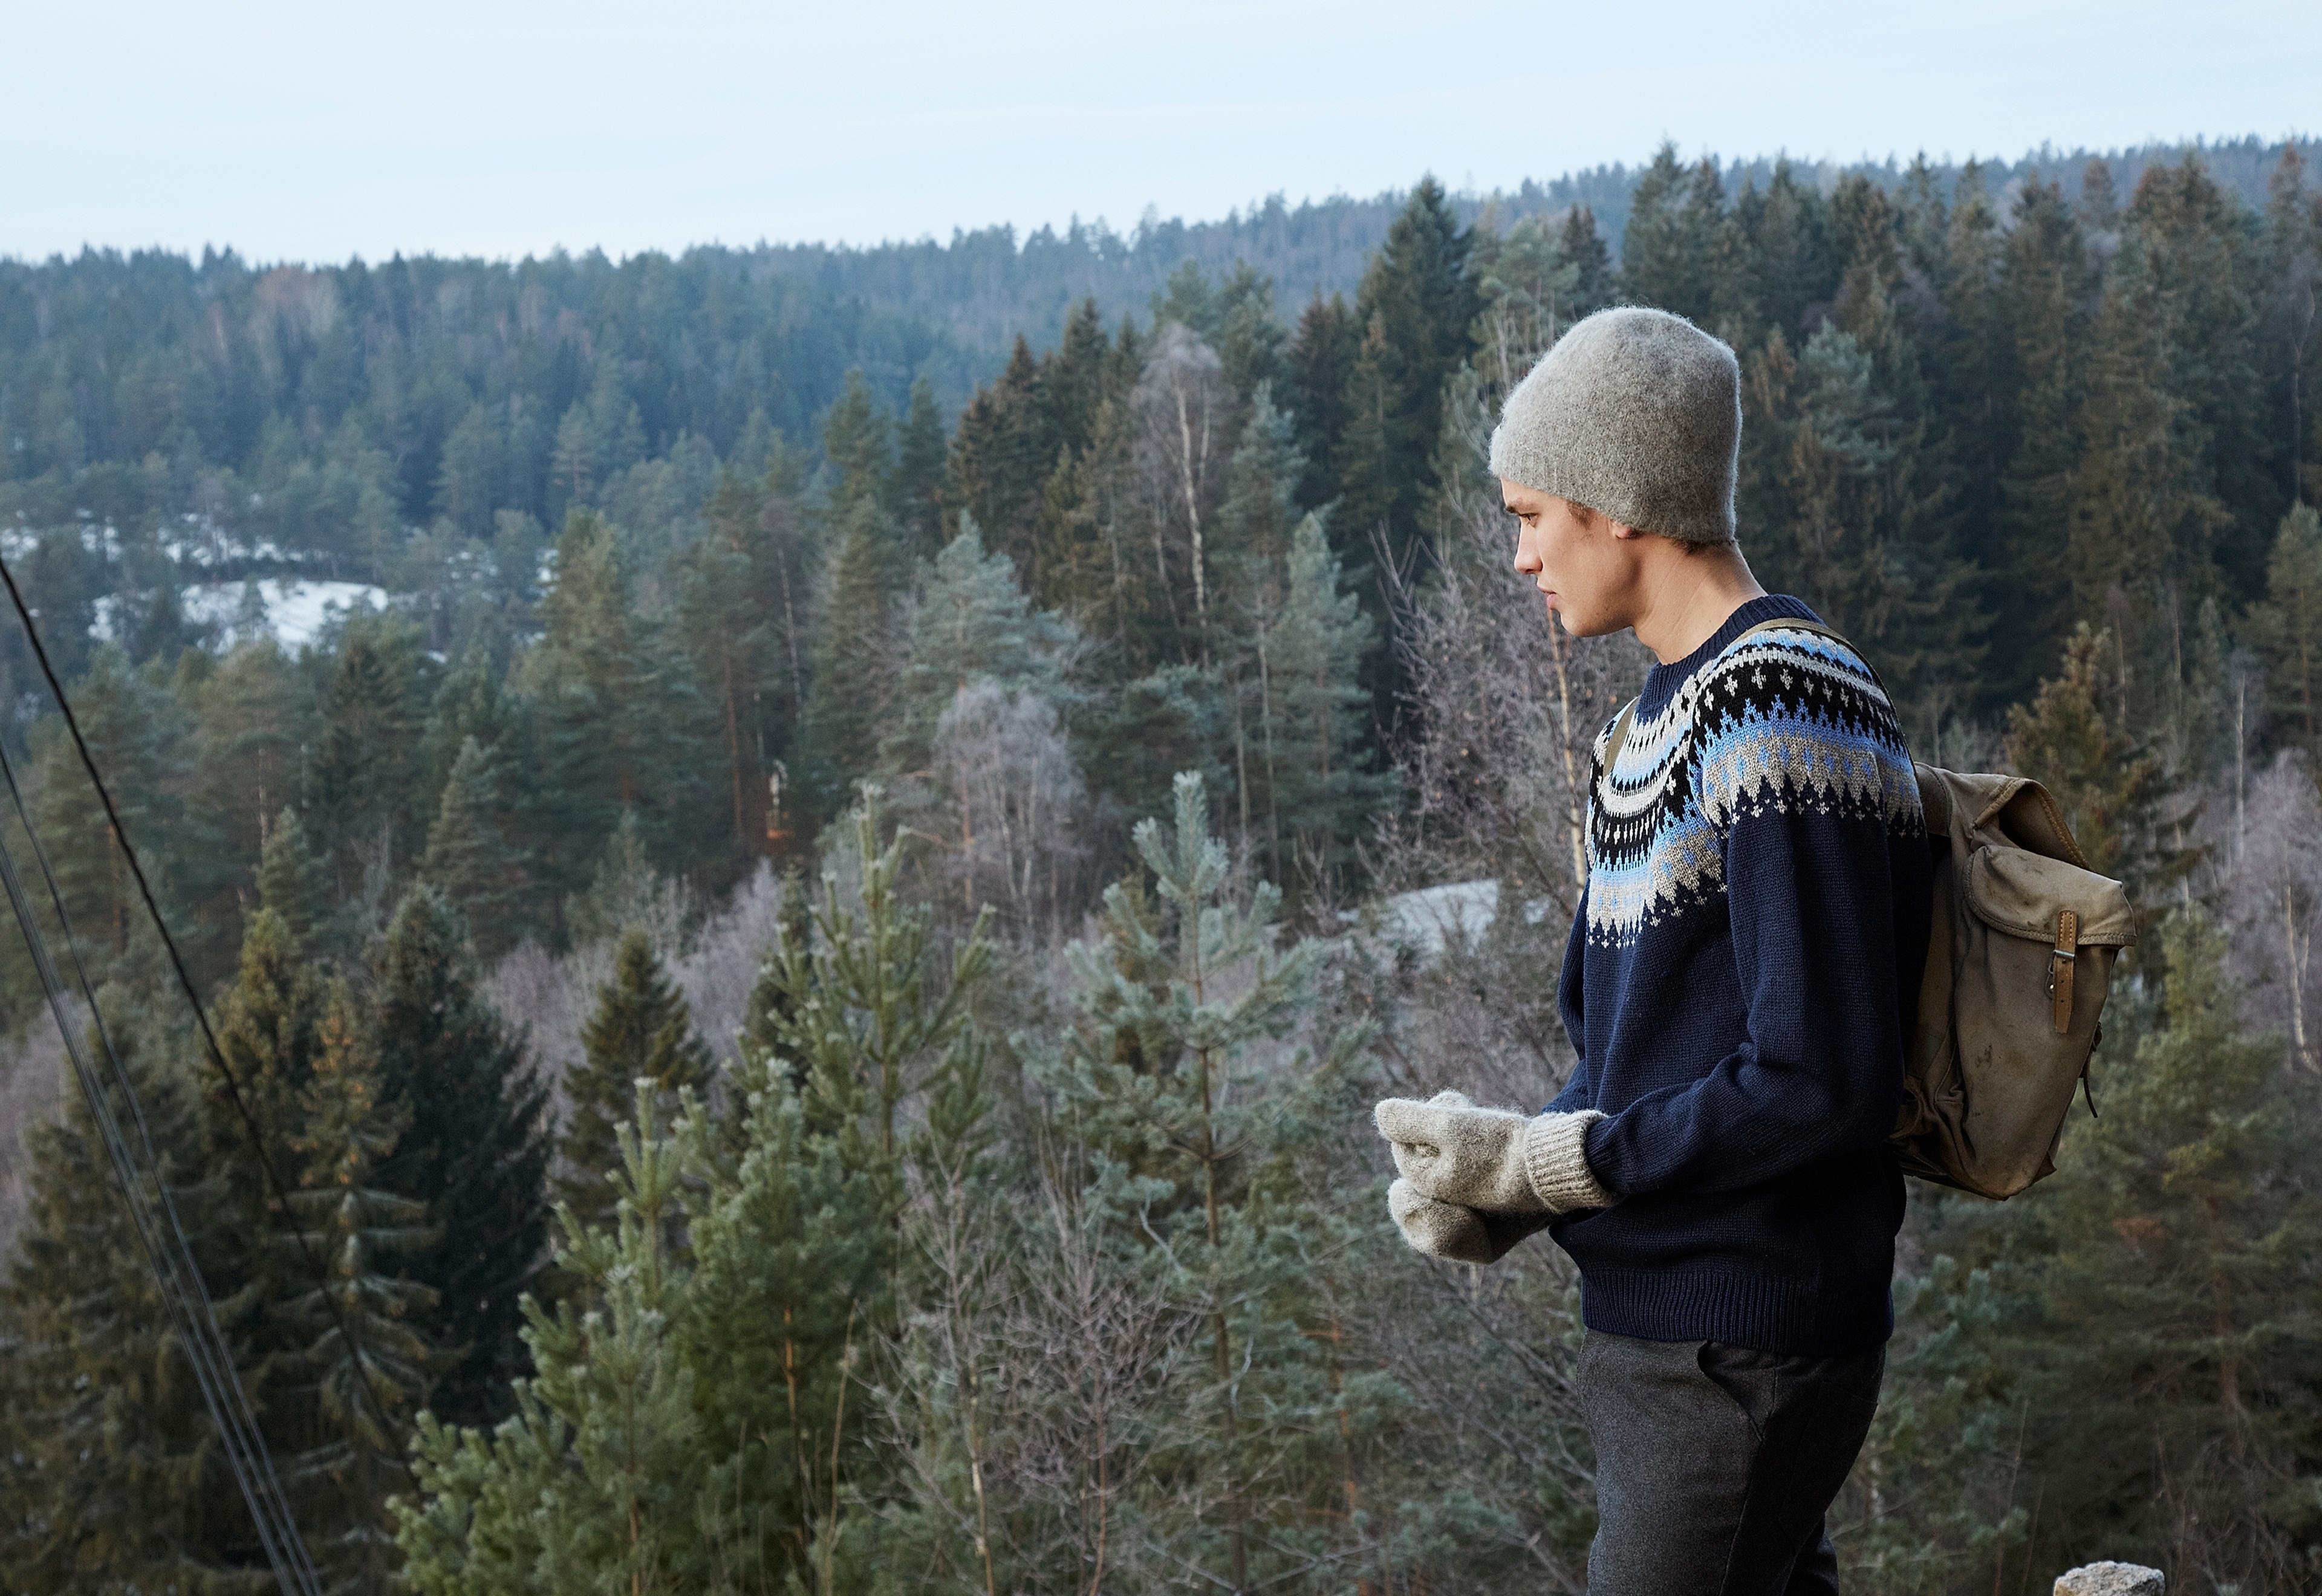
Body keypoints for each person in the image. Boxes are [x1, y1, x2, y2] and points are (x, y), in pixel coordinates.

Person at [1371, 306, 1933, 1595]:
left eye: (1530, 515)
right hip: (1674, 1339)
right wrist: (1509, 1182)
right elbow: (1634, 1058)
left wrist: (1568, 1164)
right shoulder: (1649, 727)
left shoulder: (1779, 702)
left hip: (1737, 1344)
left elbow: (1817, 1077)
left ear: (1620, 504)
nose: (1519, 557)